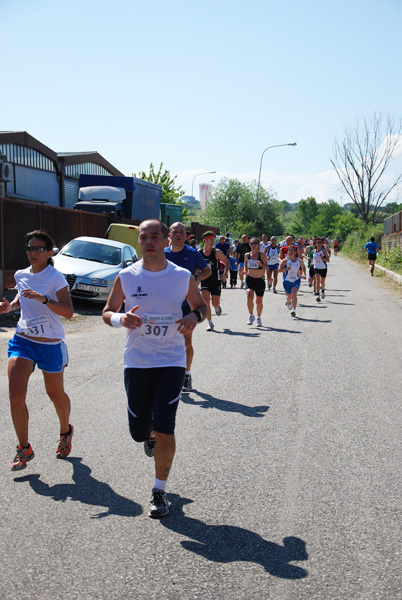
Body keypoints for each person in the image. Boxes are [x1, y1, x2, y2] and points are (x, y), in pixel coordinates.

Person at [102, 219, 207, 519]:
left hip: (171, 360)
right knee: (139, 431)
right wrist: (120, 320)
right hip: (137, 360)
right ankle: (147, 435)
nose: (149, 242)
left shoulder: (181, 276)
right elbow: (106, 312)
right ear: (140, 243)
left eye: (154, 237)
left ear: (165, 241)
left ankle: (159, 491)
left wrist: (194, 319)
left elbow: (201, 307)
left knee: (165, 425)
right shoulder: (126, 276)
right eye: (144, 238)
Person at [0, 229, 74, 471]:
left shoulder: (55, 278)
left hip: (50, 344)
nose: (33, 252)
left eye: (38, 248)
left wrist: (44, 300)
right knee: (15, 395)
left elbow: (68, 311)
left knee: (55, 395)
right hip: (23, 340)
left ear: (49, 252)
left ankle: (66, 430)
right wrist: (8, 307)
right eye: (30, 248)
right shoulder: (21, 275)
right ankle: (24, 448)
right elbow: (21, 300)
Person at [165, 222, 211, 391]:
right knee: (165, 341)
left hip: (187, 306)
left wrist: (197, 278)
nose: (178, 235)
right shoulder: (162, 254)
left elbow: (207, 271)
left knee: (185, 342)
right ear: (169, 235)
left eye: (181, 232)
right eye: (174, 232)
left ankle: (186, 374)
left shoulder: (192, 254)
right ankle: (169, 374)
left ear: (186, 236)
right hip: (166, 306)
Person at [199, 231, 230, 331]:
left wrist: (225, 274)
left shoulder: (216, 252)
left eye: (213, 239)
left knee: (214, 303)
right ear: (205, 240)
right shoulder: (199, 253)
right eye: (210, 240)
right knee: (206, 301)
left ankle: (217, 307)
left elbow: (227, 262)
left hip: (215, 280)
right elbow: (196, 266)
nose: (212, 242)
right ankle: (210, 322)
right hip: (204, 280)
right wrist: (196, 278)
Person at [244, 237, 268, 326]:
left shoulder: (261, 255)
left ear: (258, 245)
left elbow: (267, 267)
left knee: (259, 301)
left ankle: (258, 317)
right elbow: (246, 265)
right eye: (251, 243)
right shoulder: (247, 255)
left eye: (255, 243)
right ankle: (251, 315)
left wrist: (261, 265)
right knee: (249, 295)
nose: (253, 245)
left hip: (260, 280)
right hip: (250, 279)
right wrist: (245, 271)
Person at [278, 245, 306, 318]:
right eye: (289, 250)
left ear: (295, 252)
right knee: (289, 296)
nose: (290, 252)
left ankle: (293, 310)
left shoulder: (299, 261)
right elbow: (278, 270)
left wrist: (304, 274)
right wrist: (285, 269)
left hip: (296, 280)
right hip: (287, 281)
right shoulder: (285, 261)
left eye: (292, 250)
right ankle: (288, 302)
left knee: (294, 293)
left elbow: (303, 267)